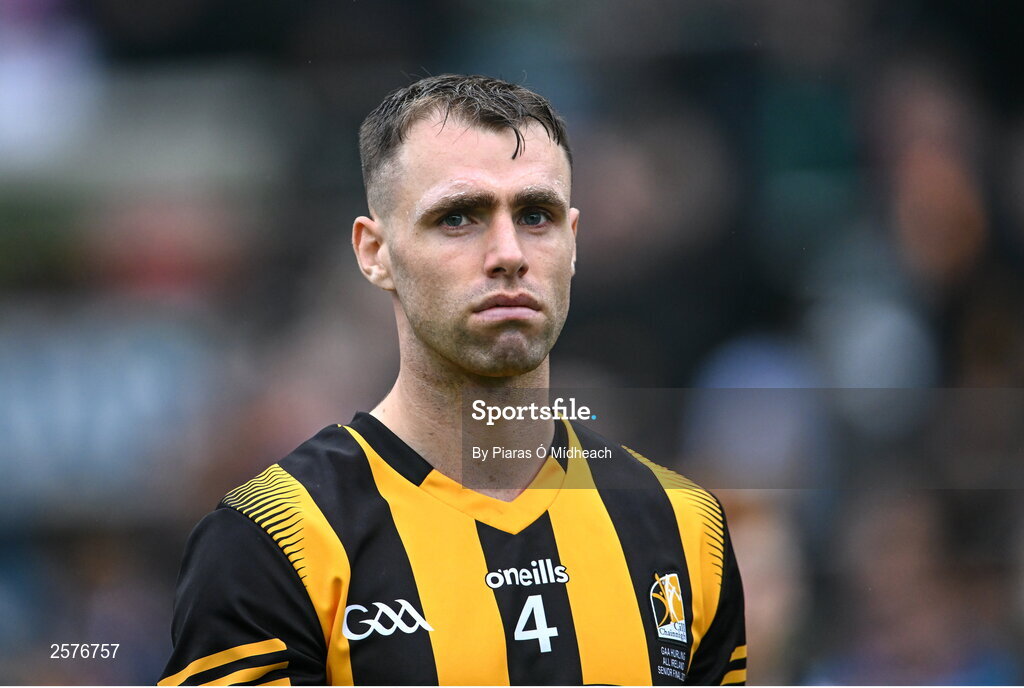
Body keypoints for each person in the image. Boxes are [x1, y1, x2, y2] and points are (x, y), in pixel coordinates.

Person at [159, 74, 746, 686]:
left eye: (536, 215)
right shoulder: (272, 540)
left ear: (573, 243)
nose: (508, 252)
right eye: (459, 217)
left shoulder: (685, 527)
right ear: (374, 253)